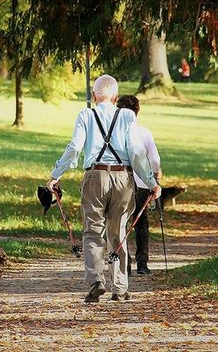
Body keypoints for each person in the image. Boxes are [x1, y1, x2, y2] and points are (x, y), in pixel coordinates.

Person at [46, 74, 162, 303]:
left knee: (92, 231)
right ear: (115, 97)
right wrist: (151, 183)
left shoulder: (85, 115)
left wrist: (55, 175)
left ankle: (96, 281)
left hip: (94, 176)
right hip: (123, 178)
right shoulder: (128, 116)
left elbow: (74, 148)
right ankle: (120, 287)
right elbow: (137, 154)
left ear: (93, 96)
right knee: (118, 232)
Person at [116, 95, 161, 275]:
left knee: (121, 222)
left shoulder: (115, 134)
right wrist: (155, 177)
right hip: (142, 183)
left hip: (121, 182)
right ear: (137, 112)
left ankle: (124, 264)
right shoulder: (144, 133)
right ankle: (142, 263)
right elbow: (154, 160)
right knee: (141, 223)